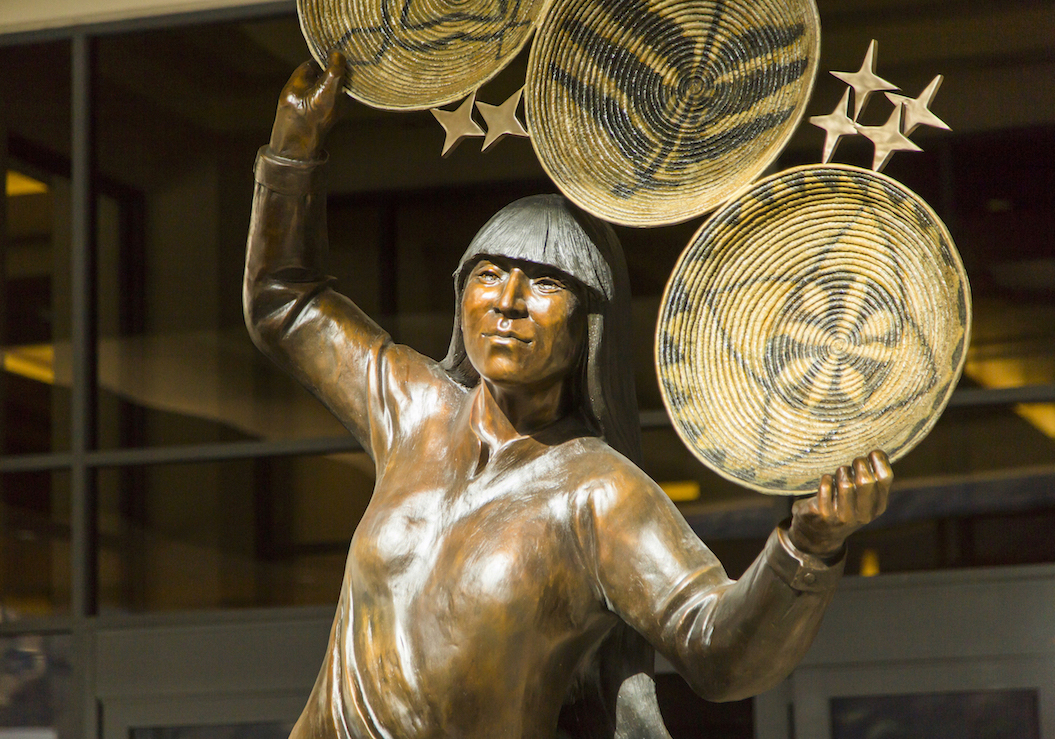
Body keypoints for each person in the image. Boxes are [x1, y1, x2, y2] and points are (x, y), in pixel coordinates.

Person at [244, 53, 893, 739]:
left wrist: (808, 547)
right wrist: (292, 151)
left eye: (545, 284)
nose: (508, 302)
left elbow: (718, 651)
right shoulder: (412, 407)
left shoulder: (600, 495)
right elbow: (284, 302)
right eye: (489, 273)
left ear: (590, 324)